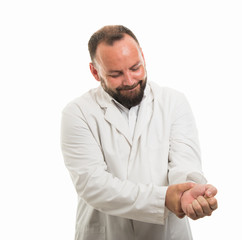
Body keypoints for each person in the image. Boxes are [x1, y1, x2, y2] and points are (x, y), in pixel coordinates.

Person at [61, 25, 218, 240]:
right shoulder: (77, 113)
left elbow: (185, 163)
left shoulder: (173, 102)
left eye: (135, 67)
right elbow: (92, 184)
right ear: (95, 72)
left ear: (143, 56)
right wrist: (163, 199)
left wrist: (187, 193)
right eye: (116, 74)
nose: (129, 80)